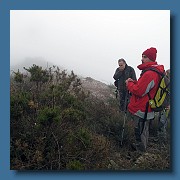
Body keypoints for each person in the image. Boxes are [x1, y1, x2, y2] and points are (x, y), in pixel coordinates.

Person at [125, 47, 165, 152]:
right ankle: (141, 149)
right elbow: (144, 87)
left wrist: (129, 84)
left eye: (145, 57)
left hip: (143, 109)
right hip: (148, 108)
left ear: (151, 58)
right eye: (142, 56)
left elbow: (139, 91)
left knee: (139, 132)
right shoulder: (155, 71)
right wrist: (134, 82)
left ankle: (139, 155)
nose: (142, 59)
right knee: (144, 132)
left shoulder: (150, 73)